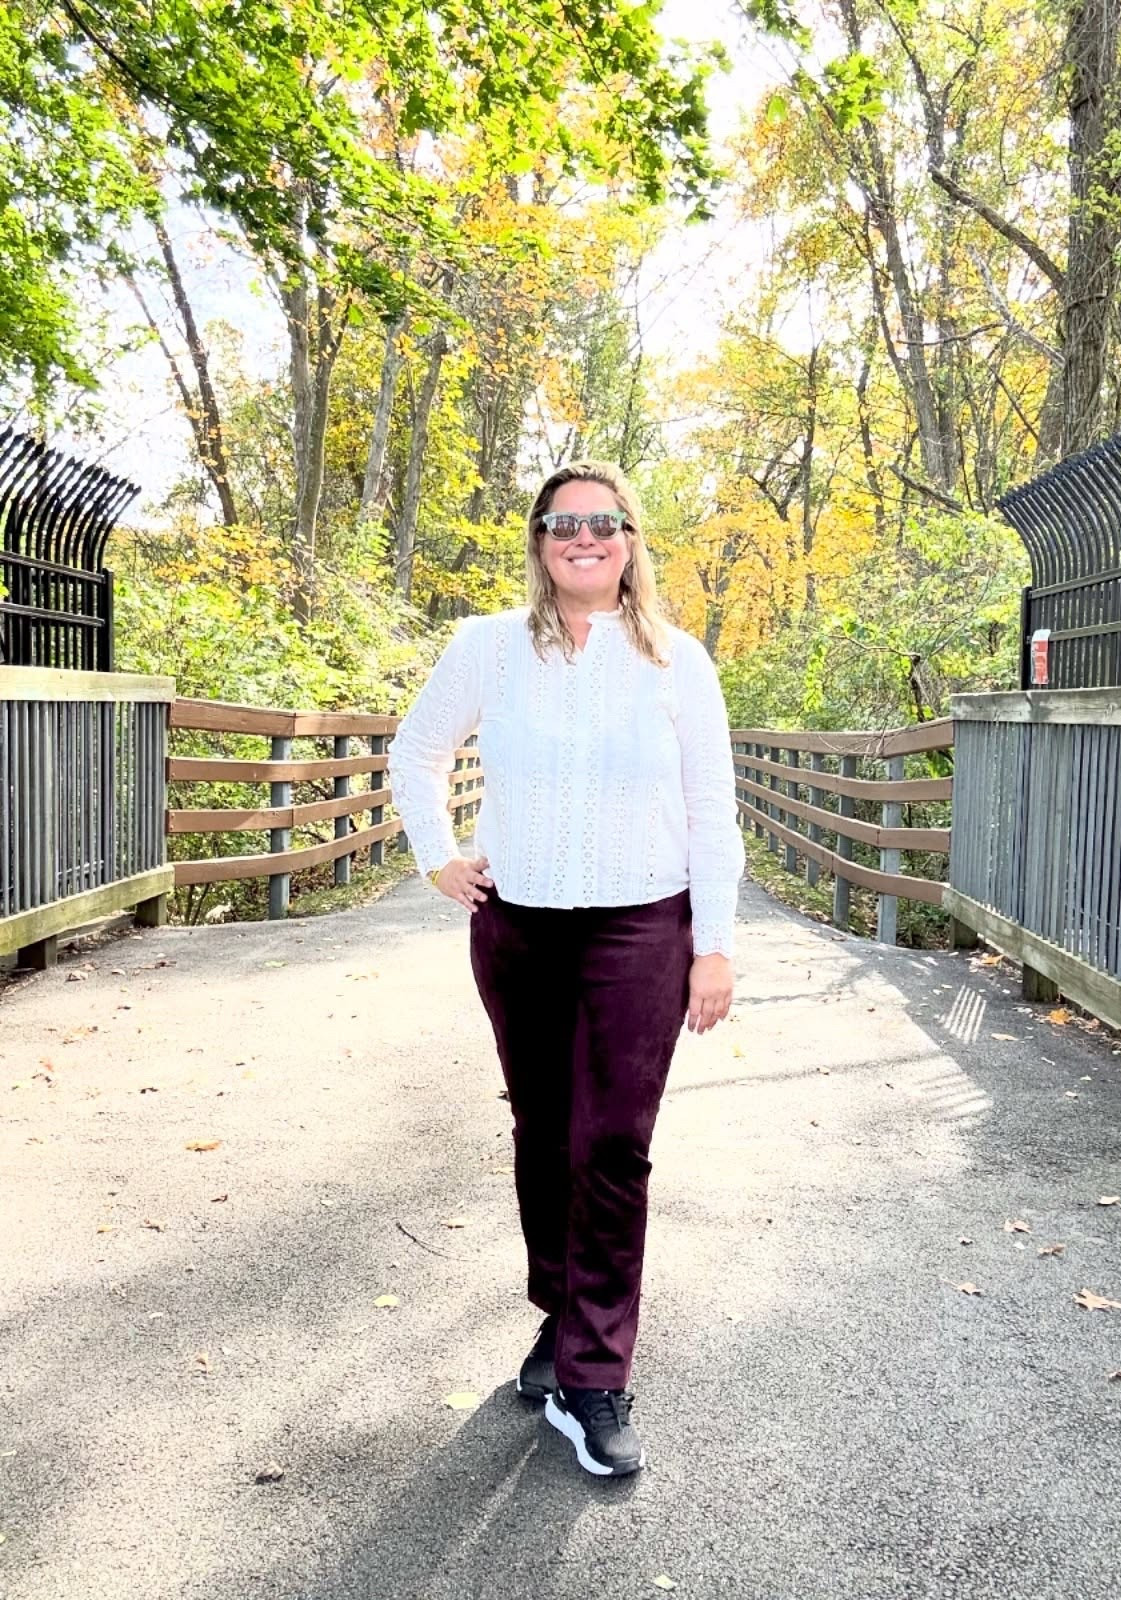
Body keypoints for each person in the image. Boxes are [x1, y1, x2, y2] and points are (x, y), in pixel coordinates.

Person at [387, 460, 744, 1478]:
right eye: (562, 523)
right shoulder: (488, 648)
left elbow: (714, 812)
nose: (583, 537)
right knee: (544, 1134)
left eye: (604, 521)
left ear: (631, 538)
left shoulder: (681, 663)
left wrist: (713, 945)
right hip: (520, 927)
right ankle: (559, 1314)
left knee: (614, 1142)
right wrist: (436, 854)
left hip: (641, 928)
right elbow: (415, 752)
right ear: (540, 541)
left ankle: (594, 1375)